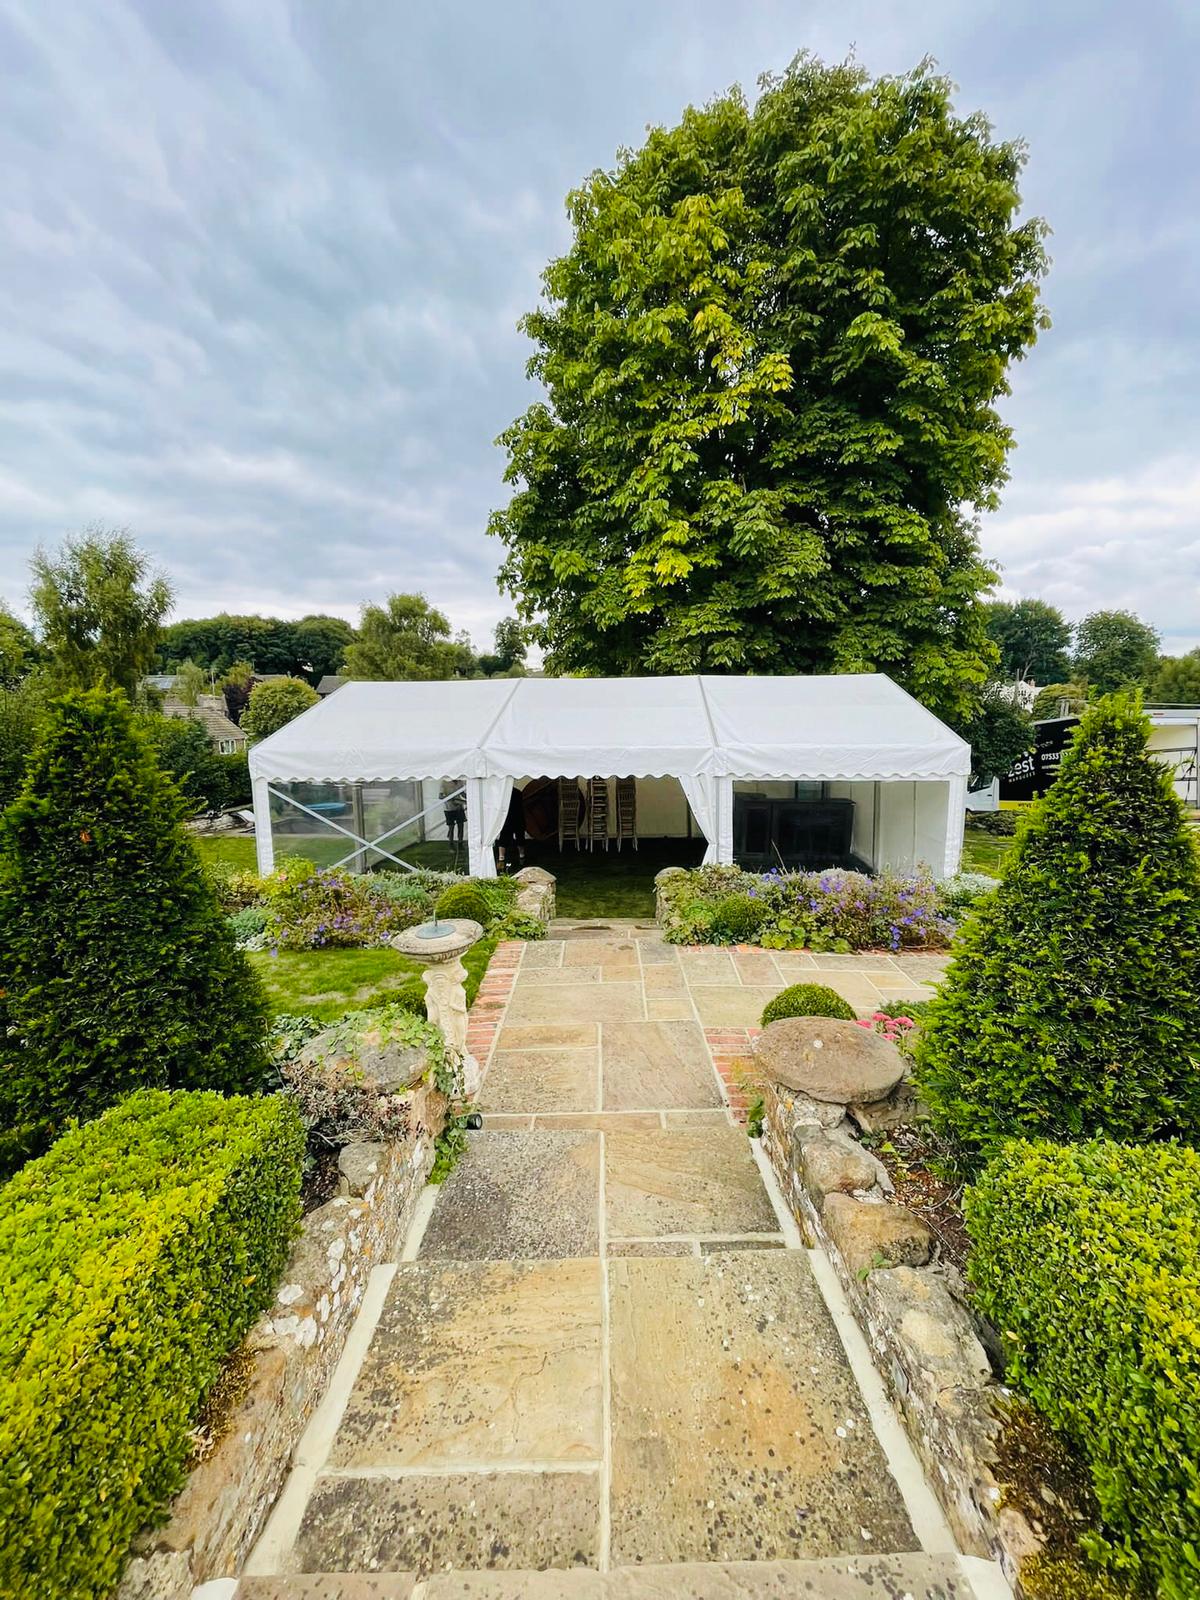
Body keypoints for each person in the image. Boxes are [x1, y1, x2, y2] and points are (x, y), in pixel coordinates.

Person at [495, 784, 526, 872]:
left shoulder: (503, 793)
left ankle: (501, 858)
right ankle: (522, 856)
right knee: (519, 838)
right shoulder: (518, 792)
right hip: (517, 818)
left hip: (508, 819)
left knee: (504, 839)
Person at [440, 778, 466, 845]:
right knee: (451, 826)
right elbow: (440, 796)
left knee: (461, 825)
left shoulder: (460, 781)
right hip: (449, 808)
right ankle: (451, 843)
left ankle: (460, 842)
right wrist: (450, 798)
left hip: (459, 807)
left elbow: (462, 793)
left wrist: (470, 797)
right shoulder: (445, 782)